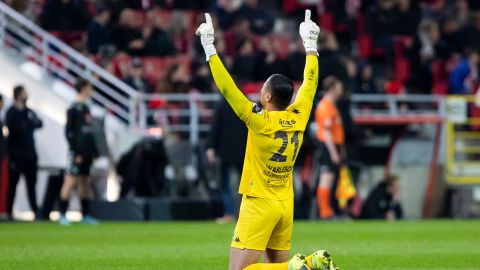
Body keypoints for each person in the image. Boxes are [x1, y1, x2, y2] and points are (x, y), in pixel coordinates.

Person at [196, 10, 338, 270]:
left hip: (259, 202)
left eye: (263, 89)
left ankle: (302, 264)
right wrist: (310, 46)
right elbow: (310, 83)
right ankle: (302, 265)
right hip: (285, 203)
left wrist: (209, 48)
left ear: (268, 98)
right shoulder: (300, 114)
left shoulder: (259, 121)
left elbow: (228, 89)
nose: (260, 91)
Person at [59, 79, 99, 226]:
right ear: (83, 88)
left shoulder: (87, 108)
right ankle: (62, 215)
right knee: (70, 181)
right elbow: (68, 132)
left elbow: (89, 132)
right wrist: (76, 152)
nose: (91, 90)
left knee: (85, 183)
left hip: (87, 153)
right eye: (89, 87)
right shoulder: (73, 108)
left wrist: (94, 150)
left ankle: (85, 215)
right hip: (76, 153)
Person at [206, 97, 248, 224]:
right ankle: (246, 215)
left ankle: (229, 214)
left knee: (225, 185)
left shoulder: (221, 105)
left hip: (226, 151)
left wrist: (211, 147)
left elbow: (216, 127)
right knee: (247, 186)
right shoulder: (244, 103)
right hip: (243, 151)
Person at [6, 85, 43, 221]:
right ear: (18, 94)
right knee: (13, 184)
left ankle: (35, 212)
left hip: (30, 155)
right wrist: (28, 125)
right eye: (24, 92)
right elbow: (15, 127)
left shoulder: (29, 111)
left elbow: (39, 123)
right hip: (16, 154)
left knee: (31, 185)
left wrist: (27, 125)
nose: (27, 95)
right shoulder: (11, 112)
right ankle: (9, 212)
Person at [315, 77, 345, 219]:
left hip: (334, 146)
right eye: (339, 87)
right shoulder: (325, 106)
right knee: (326, 178)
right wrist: (333, 152)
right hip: (328, 146)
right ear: (332, 88)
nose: (341, 90)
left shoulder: (331, 105)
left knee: (331, 179)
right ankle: (324, 211)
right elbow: (326, 132)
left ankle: (328, 210)